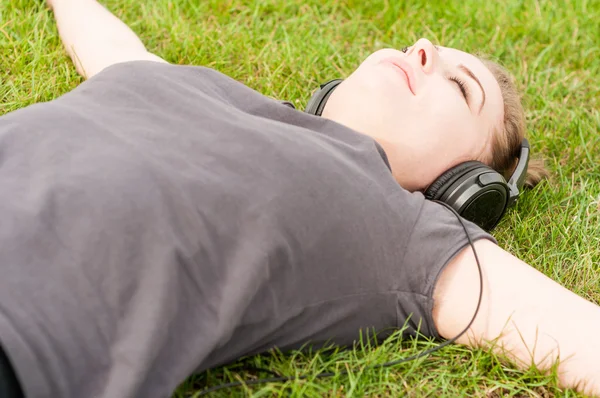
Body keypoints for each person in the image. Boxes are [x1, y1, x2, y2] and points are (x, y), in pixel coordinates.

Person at [0, 0, 597, 397]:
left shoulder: (403, 230)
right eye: (434, 51)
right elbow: (111, 47)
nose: (423, 49)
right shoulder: (200, 86)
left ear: (460, 189)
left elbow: (575, 333)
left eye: (459, 87)